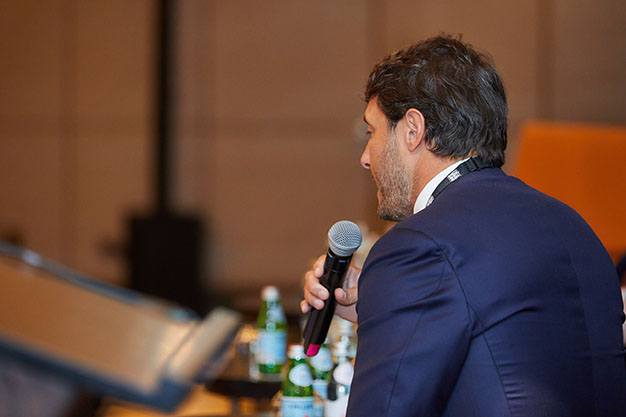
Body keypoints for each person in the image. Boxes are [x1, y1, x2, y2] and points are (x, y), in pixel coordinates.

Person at [301, 35, 626, 417]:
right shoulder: (573, 227)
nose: (365, 158)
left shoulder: (419, 245)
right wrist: (381, 305)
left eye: (372, 132)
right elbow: (509, 346)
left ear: (412, 129)